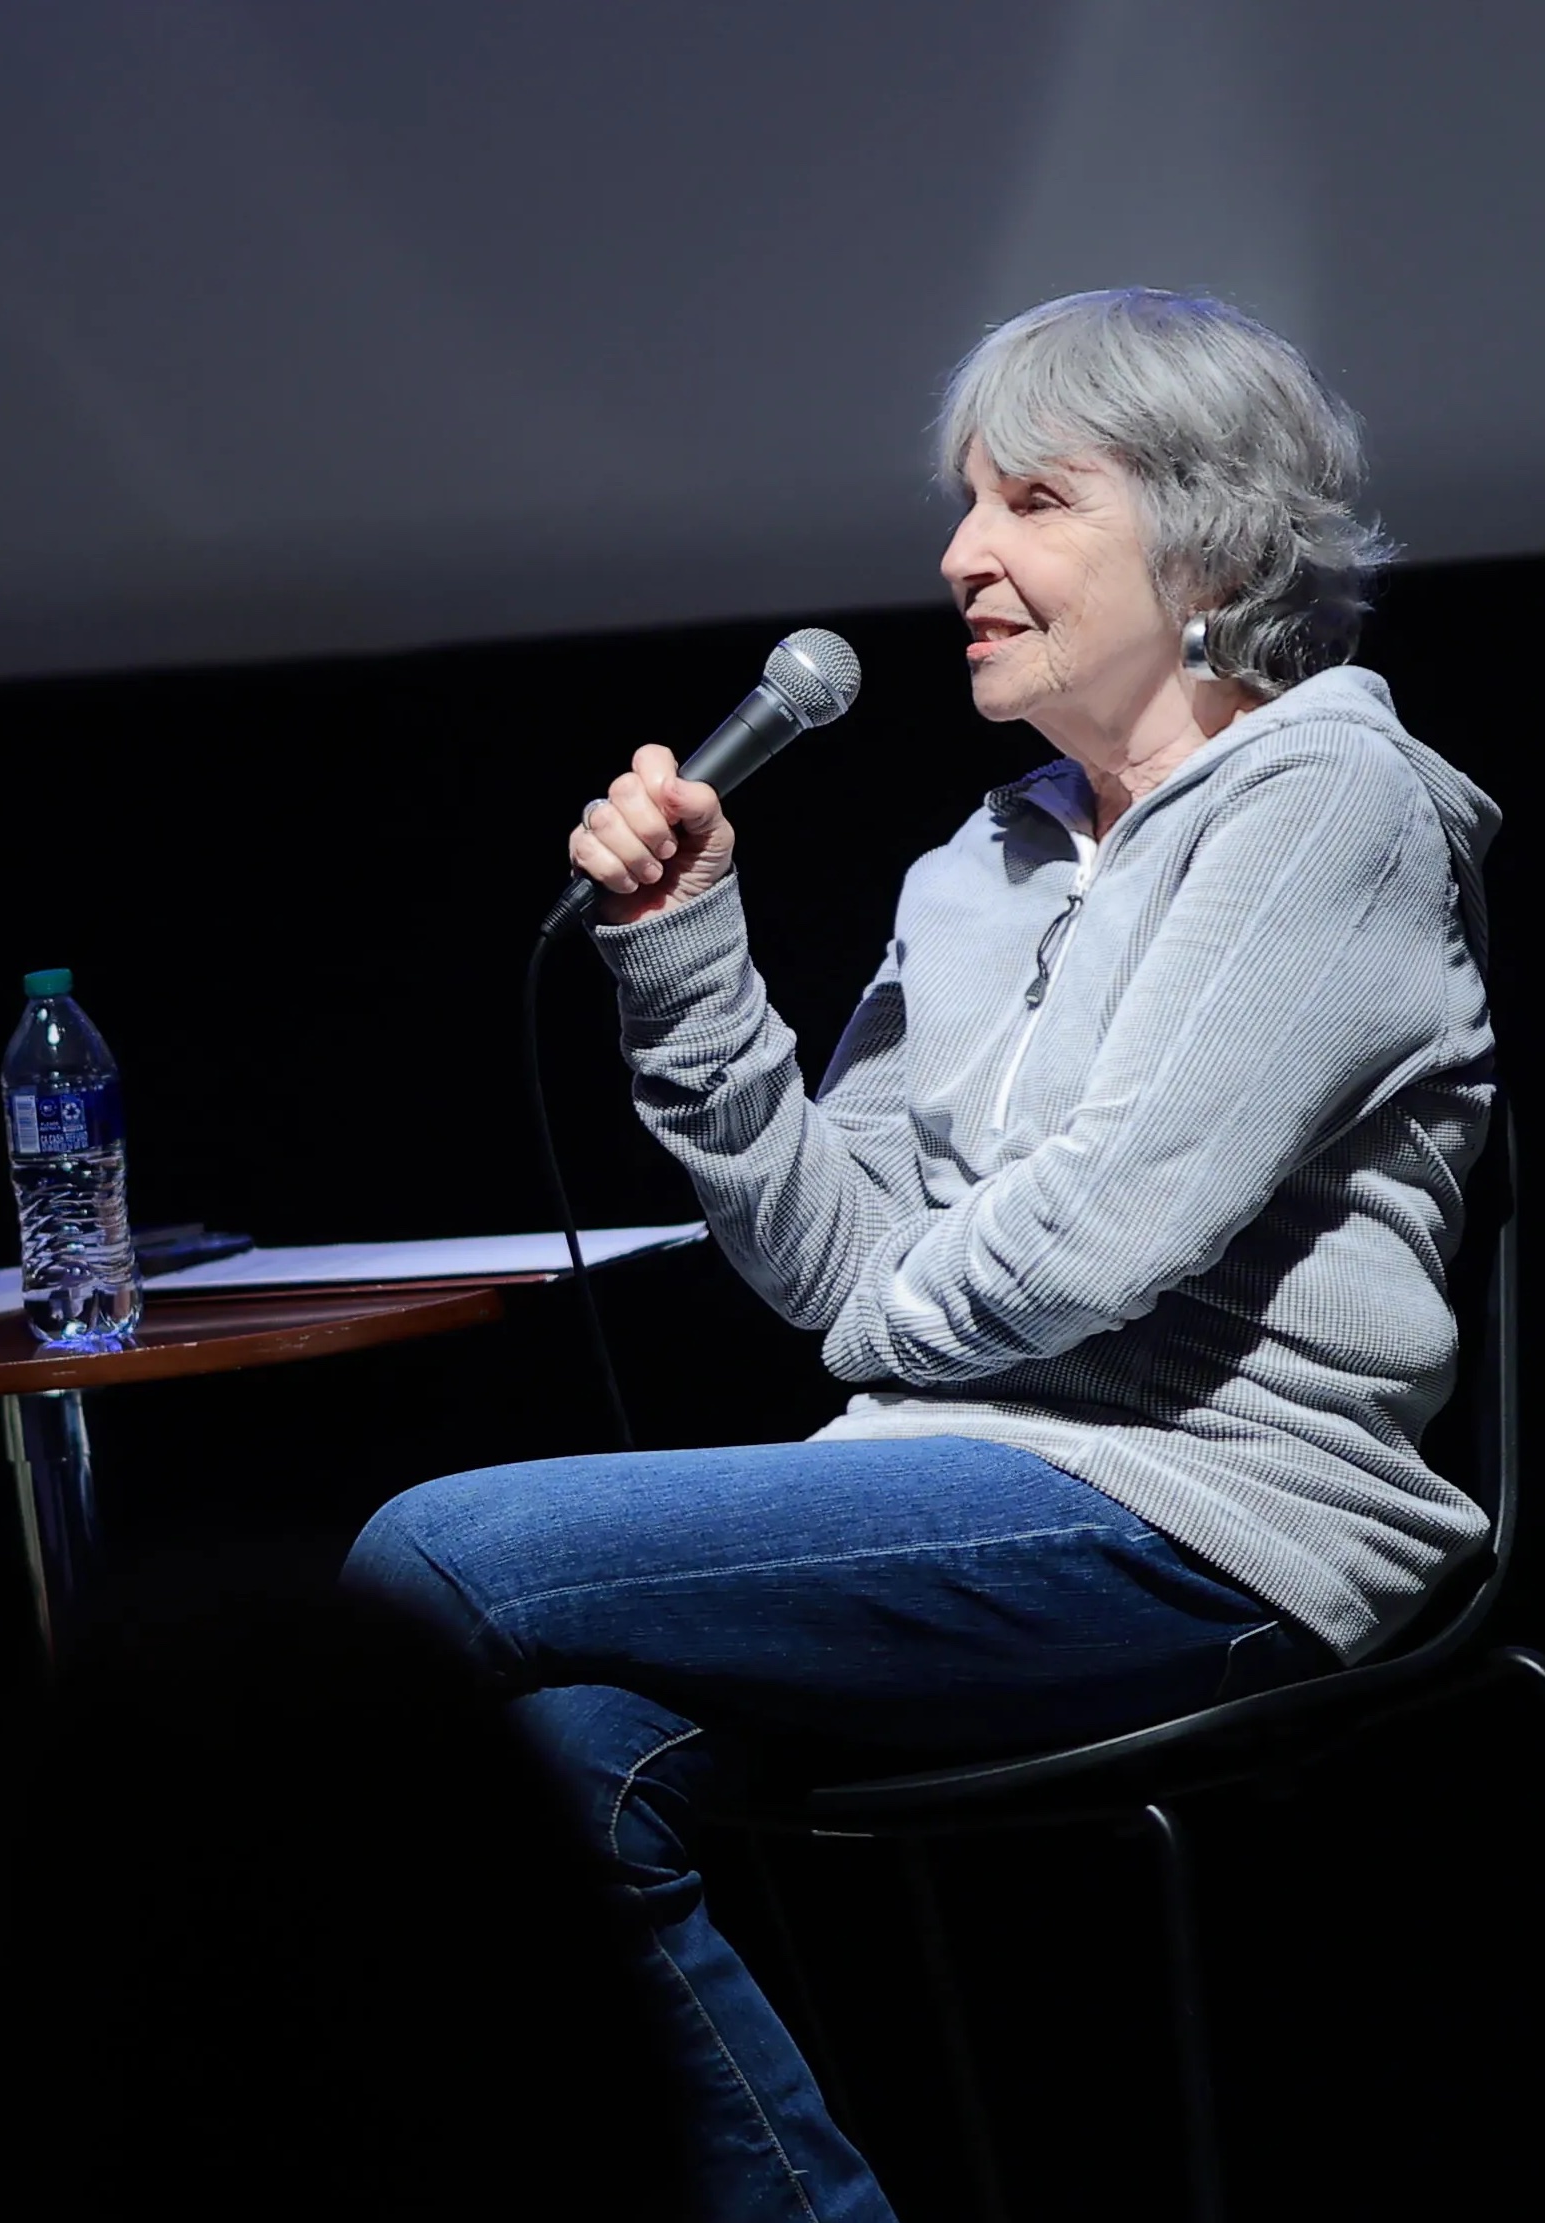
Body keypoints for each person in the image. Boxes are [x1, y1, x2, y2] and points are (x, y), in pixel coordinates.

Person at [344, 289, 1497, 2221]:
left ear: (1207, 538)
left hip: (1214, 1514)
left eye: (1033, 499)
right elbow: (826, 1261)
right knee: (552, 1764)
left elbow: (1099, 1235)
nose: (961, 556)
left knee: (429, 1560)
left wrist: (889, 1325)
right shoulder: (978, 866)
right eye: (966, 504)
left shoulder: (1331, 805)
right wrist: (687, 949)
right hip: (957, 1492)